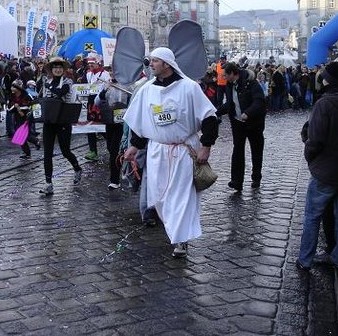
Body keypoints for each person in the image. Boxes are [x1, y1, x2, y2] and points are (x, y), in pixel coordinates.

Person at [123, 47, 218, 258]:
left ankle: (180, 240)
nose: (151, 65)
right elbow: (140, 123)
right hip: (158, 152)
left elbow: (209, 118)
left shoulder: (189, 88)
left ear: (167, 64)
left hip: (183, 151)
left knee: (181, 196)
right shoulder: (147, 90)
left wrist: (206, 146)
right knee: (160, 197)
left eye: (155, 61)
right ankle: (175, 231)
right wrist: (134, 147)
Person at [297, 61, 338, 271]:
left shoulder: (325, 103)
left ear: (328, 80)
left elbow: (316, 139)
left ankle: (305, 259)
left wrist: (309, 156)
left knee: (313, 215)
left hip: (325, 169)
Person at [217, 63, 267, 191]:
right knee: (238, 150)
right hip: (237, 122)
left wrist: (248, 113)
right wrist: (215, 112)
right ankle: (236, 181)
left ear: (233, 73)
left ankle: (256, 177)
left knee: (256, 150)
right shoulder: (229, 85)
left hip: (254, 123)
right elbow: (229, 103)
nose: (224, 78)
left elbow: (259, 101)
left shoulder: (251, 83)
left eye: (225, 75)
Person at [39, 56, 83, 195]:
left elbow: (60, 93)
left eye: (59, 68)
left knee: (65, 150)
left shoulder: (68, 81)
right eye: (55, 68)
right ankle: (48, 183)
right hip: (49, 120)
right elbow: (43, 98)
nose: (57, 70)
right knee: (47, 152)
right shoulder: (47, 81)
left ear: (63, 70)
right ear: (51, 70)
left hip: (63, 119)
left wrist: (48, 86)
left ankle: (77, 168)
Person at [95, 71, 130, 190]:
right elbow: (97, 102)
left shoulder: (128, 85)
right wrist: (105, 90)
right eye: (112, 72)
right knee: (111, 149)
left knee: (115, 150)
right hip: (110, 121)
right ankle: (122, 169)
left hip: (123, 123)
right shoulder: (106, 85)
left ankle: (115, 179)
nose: (113, 74)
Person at [84, 53, 110, 161]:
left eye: (92, 63)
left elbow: (108, 88)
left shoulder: (105, 74)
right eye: (89, 63)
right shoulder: (88, 74)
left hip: (101, 103)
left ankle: (112, 146)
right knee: (90, 127)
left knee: (102, 128)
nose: (90, 65)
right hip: (90, 102)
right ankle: (93, 151)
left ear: (98, 63)